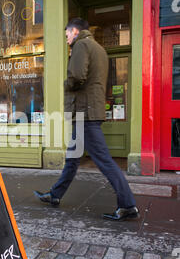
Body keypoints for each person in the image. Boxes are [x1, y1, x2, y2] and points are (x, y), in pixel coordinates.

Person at [34, 18, 139, 221]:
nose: (66, 40)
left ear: (75, 31)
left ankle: (127, 205)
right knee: (72, 159)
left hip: (85, 113)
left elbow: (77, 77)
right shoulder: (99, 49)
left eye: (67, 36)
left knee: (104, 160)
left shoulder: (81, 45)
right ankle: (55, 195)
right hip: (90, 111)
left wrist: (66, 83)